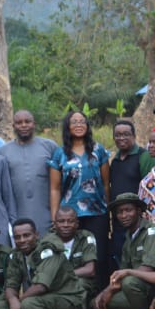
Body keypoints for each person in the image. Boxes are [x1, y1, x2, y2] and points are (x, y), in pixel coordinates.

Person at [5, 220, 86, 309]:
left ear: (36, 235)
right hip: (46, 301)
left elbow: (41, 286)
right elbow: (10, 285)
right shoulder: (17, 255)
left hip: (69, 302)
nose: (22, 240)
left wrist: (19, 303)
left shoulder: (48, 251)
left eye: (26, 235)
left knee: (27, 305)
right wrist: (13, 301)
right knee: (2, 307)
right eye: (17, 237)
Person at [48, 111, 111, 289]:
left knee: (98, 256)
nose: (78, 124)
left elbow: (106, 184)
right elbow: (54, 188)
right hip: (69, 215)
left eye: (82, 121)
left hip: (97, 212)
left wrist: (107, 211)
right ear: (67, 126)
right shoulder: (59, 154)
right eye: (74, 121)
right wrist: (55, 217)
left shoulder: (99, 151)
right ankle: (74, 298)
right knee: (73, 256)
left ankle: (100, 300)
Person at [107, 120, 155, 280]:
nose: (122, 138)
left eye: (126, 134)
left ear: (134, 136)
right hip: (118, 220)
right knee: (120, 256)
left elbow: (151, 188)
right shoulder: (115, 161)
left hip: (137, 220)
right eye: (118, 135)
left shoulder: (144, 156)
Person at [0, 109, 59, 236]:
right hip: (18, 216)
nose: (24, 125)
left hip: (47, 215)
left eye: (27, 121)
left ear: (34, 124)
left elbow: (59, 182)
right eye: (19, 123)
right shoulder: (3, 152)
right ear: (13, 126)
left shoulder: (50, 146)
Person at [49, 207, 100, 309]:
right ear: (55, 224)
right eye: (61, 221)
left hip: (82, 281)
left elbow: (90, 269)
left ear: (77, 223)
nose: (65, 225)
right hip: (56, 283)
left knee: (80, 284)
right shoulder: (48, 241)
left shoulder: (86, 237)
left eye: (70, 221)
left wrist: (64, 276)